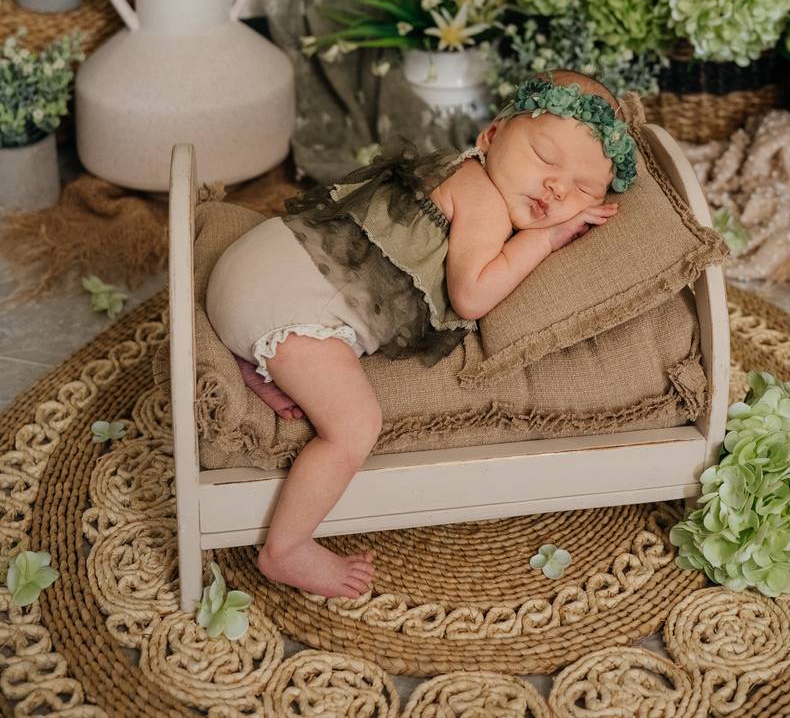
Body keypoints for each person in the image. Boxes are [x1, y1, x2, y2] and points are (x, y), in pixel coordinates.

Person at [204, 69, 639, 599]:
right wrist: (544, 241)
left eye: (583, 189)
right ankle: (287, 547)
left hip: (251, 266)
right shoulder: (484, 201)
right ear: (491, 136)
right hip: (287, 302)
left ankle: (258, 362)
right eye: (545, 158)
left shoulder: (458, 167)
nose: (557, 188)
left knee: (314, 355)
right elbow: (472, 295)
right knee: (354, 427)